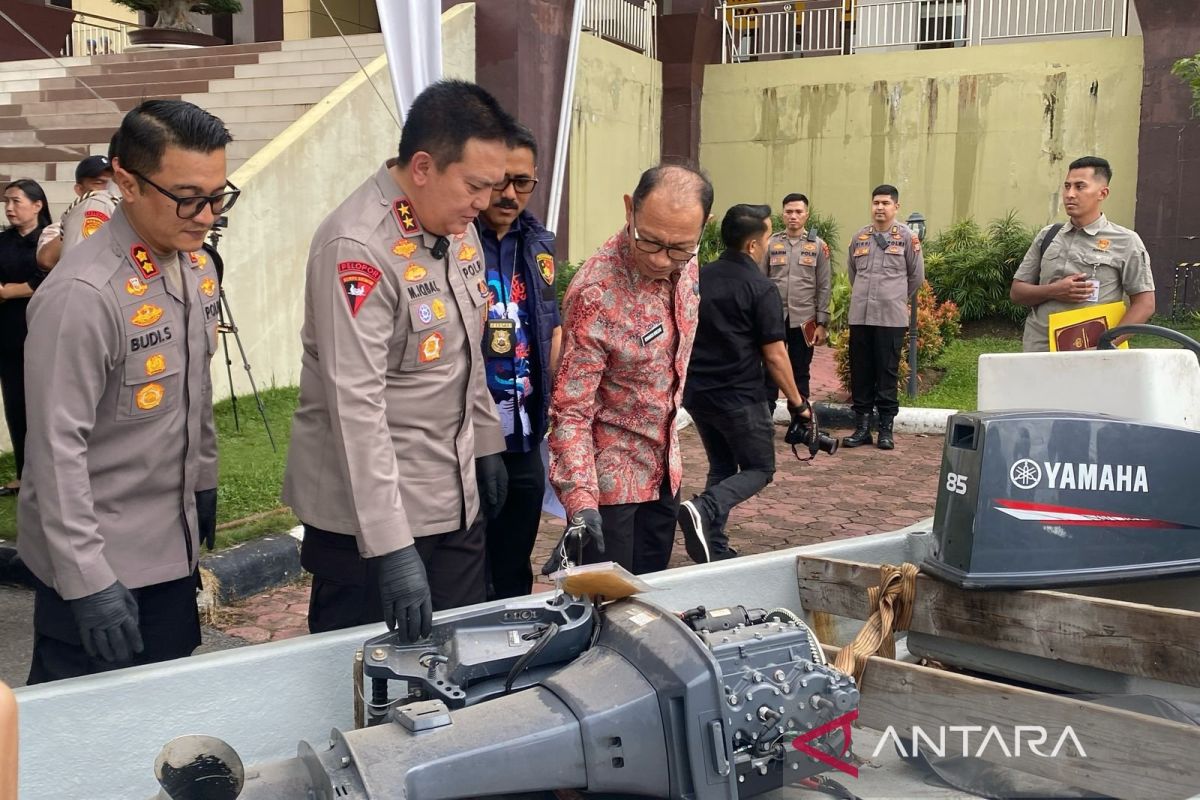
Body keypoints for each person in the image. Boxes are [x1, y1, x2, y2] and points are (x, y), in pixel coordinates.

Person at [283, 80, 514, 640]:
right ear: (422, 167)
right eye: (475, 186)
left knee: (455, 669)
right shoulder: (357, 248)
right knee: (366, 684)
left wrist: (486, 445)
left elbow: (466, 350)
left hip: (452, 499)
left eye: (493, 186)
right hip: (369, 526)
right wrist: (391, 547)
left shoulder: (456, 229)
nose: (484, 203)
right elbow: (355, 406)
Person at [17, 99, 231, 683]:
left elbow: (195, 389)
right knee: (84, 742)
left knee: (163, 735)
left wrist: (203, 479)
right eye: (188, 196)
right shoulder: (83, 294)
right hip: (102, 566)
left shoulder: (186, 263)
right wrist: (88, 582)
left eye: (217, 196)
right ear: (127, 182)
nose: (206, 214)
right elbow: (56, 451)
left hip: (170, 546)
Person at [546, 163, 712, 575]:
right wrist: (582, 504)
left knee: (650, 603)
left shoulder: (685, 261)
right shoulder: (597, 293)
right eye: (650, 241)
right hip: (608, 492)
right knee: (607, 612)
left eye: (678, 248)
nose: (661, 259)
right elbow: (571, 408)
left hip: (663, 472)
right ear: (629, 210)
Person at [678, 204, 810, 563]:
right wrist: (799, 404)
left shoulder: (698, 278)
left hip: (699, 396)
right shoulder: (760, 287)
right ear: (753, 245)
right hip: (740, 397)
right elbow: (775, 356)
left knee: (722, 467)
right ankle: (704, 508)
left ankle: (713, 547)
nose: (768, 244)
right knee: (759, 468)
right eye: (767, 237)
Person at [474, 124, 563, 599]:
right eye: (500, 181)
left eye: (522, 182)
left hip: (527, 430)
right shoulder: (457, 240)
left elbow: (549, 322)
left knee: (515, 563)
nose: (509, 194)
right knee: (470, 565)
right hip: (471, 437)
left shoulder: (539, 242)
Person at [1010, 156, 1155, 352]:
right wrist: (1055, 290)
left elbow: (1145, 304)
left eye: (1080, 187)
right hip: (1039, 350)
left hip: (1092, 352)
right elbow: (1017, 293)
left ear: (1102, 193)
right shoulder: (1048, 235)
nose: (1070, 194)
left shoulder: (1126, 241)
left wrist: (1107, 345)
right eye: (1067, 186)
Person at [843, 184, 924, 451]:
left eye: (885, 203)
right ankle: (862, 428)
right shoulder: (859, 238)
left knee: (887, 373)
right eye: (876, 202)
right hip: (861, 316)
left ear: (896, 207)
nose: (880, 207)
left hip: (890, 318)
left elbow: (916, 277)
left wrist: (894, 297)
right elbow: (854, 273)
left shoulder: (907, 238)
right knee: (861, 372)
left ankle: (886, 430)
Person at [0, 179, 52, 497]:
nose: (9, 208)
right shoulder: (2, 242)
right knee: (15, 406)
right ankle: (23, 474)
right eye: (6, 202)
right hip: (7, 334)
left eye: (16, 201)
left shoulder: (49, 242)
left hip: (41, 332)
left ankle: (45, 475)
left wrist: (7, 291)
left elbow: (46, 278)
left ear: (37, 205)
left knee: (42, 407)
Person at [763, 193, 831, 410]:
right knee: (769, 370)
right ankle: (766, 419)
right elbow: (760, 282)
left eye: (798, 212)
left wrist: (822, 323)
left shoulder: (818, 246)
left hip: (805, 320)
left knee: (800, 371)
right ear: (782, 215)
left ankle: (799, 423)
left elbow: (824, 286)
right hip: (774, 317)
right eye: (789, 211)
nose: (793, 216)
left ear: (806, 215)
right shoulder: (771, 243)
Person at [37, 147, 121, 271]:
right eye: (99, 183)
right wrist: (75, 228)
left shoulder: (126, 220)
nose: (107, 189)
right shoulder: (56, 229)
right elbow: (46, 260)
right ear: (79, 189)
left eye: (111, 183)